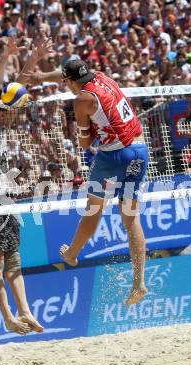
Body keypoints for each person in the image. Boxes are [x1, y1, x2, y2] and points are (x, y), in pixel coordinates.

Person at [29, 60, 148, 305]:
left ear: (70, 82)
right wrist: (40, 77)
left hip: (115, 155)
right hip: (140, 149)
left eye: (65, 82)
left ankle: (72, 254)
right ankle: (139, 282)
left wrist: (92, 129)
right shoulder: (102, 76)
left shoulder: (82, 99)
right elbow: (67, 75)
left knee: (93, 209)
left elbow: (84, 144)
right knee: (131, 218)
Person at [0, 37, 51, 335]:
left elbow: (21, 84)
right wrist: (5, 55)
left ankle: (25, 311)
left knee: (15, 260)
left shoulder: (3, 123)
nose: (7, 110)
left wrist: (34, 57)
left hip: (5, 200)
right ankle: (7, 316)